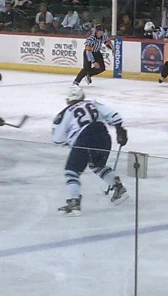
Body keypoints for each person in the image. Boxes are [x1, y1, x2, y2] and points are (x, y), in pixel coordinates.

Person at [51, 87, 128, 215]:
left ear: (68, 100)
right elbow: (114, 115)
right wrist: (120, 130)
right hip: (103, 135)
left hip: (85, 138)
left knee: (72, 170)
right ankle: (118, 188)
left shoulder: (65, 112)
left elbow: (57, 139)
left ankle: (74, 202)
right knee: (97, 165)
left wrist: (70, 141)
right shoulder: (92, 103)